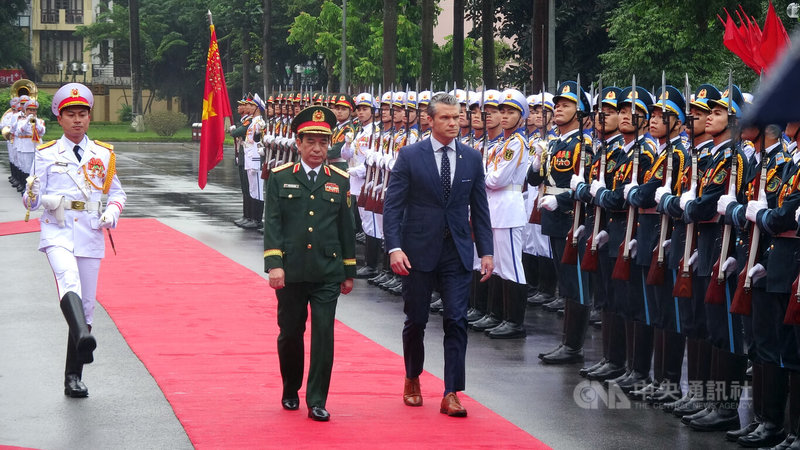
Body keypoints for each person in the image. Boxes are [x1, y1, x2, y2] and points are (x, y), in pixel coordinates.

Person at [382, 92, 494, 417]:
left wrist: (485, 251)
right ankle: (413, 376)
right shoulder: (409, 156)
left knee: (457, 319)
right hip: (417, 251)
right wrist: (394, 247)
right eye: (445, 117)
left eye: (457, 117)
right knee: (416, 320)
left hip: (456, 251)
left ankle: (451, 392)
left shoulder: (472, 158)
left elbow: (480, 209)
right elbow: (393, 207)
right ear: (430, 120)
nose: (453, 123)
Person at [21, 82, 126, 398]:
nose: (77, 120)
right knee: (69, 281)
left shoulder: (103, 154)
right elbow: (30, 202)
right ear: (60, 118)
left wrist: (112, 213)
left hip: (91, 231)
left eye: (82, 114)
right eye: (71, 114)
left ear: (89, 118)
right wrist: (41, 197)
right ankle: (82, 335)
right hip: (58, 229)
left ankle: (73, 376)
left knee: (88, 305)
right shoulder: (46, 153)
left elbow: (117, 193)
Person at [263, 105, 356, 422]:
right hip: (291, 271)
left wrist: (349, 270)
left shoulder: (340, 181)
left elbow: (346, 227)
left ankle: (317, 398)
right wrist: (275, 264)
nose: (317, 149)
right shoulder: (280, 178)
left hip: (327, 271)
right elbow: (273, 223)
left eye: (323, 142)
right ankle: (291, 388)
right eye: (311, 142)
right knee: (290, 333)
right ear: (298, 143)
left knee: (323, 334)